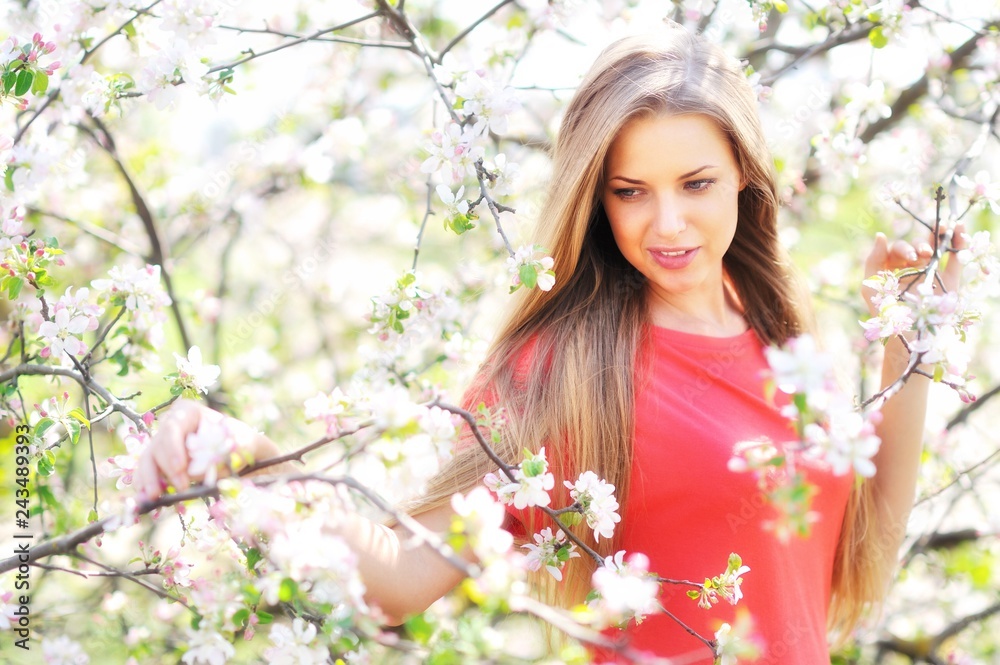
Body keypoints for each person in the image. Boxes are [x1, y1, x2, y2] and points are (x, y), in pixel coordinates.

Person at [135, 25, 964, 663]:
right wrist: (252, 458)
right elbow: (397, 578)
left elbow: (861, 561)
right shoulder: (561, 371)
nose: (667, 224)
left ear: (746, 175)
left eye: (696, 184)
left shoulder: (783, 337)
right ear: (594, 200)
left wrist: (906, 339)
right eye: (630, 192)